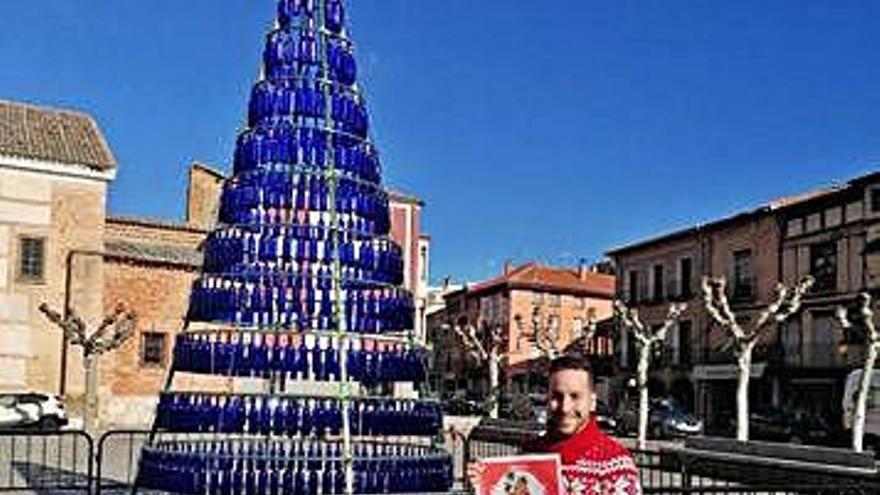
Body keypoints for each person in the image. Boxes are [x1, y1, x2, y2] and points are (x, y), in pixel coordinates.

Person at [469, 354, 642, 494]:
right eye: (557, 396)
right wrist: (482, 484)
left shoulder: (616, 466)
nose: (565, 407)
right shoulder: (529, 455)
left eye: (575, 396)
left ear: (592, 402)